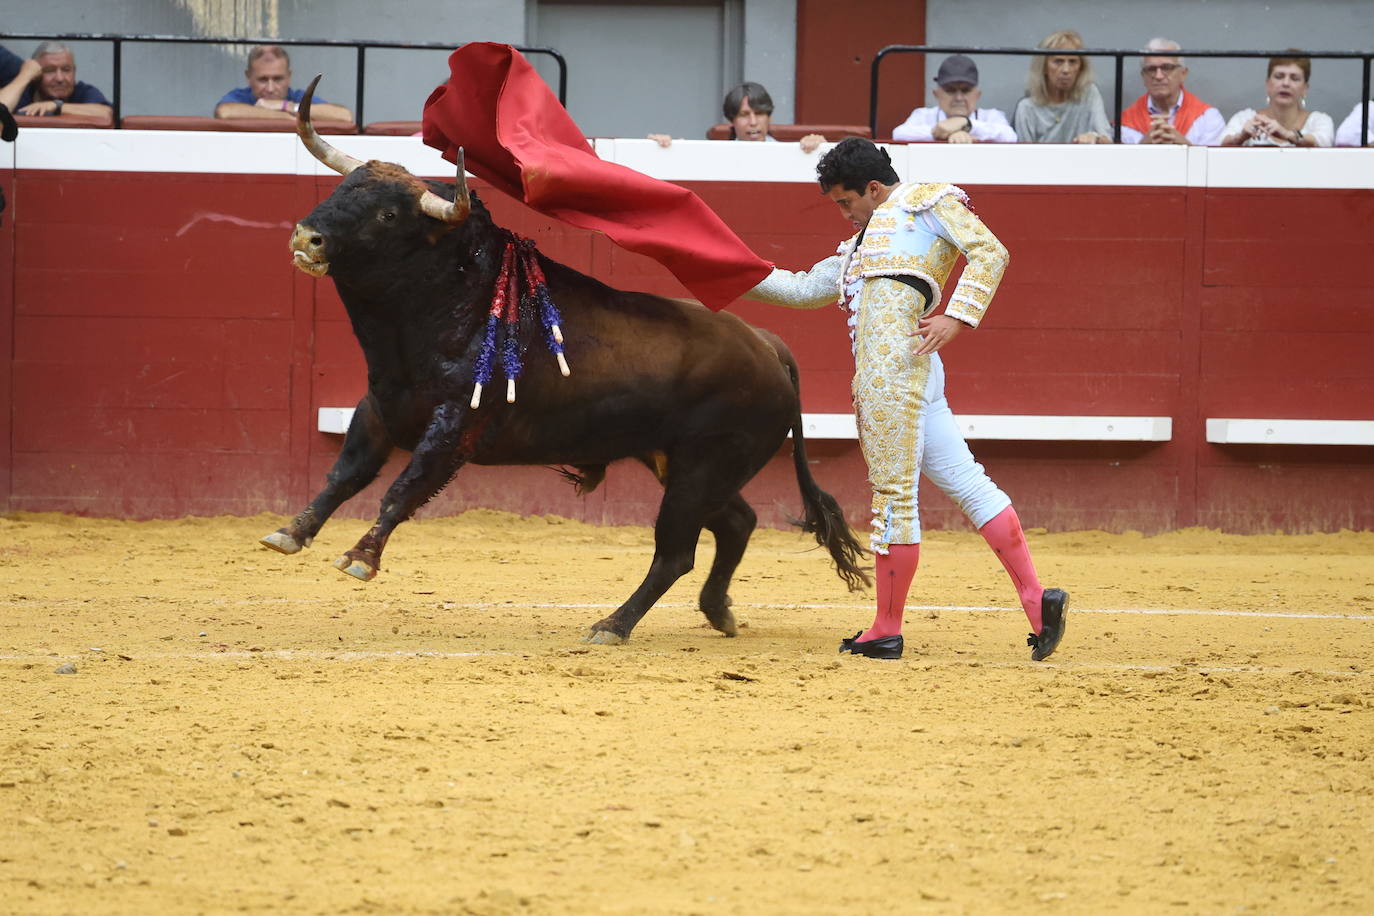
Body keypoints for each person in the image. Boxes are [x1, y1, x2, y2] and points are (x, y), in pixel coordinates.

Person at [743, 137, 1068, 662]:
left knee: (894, 498)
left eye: (847, 203)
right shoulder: (858, 248)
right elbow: (802, 289)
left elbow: (990, 250)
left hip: (894, 376)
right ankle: (1037, 600)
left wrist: (957, 316)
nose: (845, 215)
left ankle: (886, 630)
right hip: (913, 372)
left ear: (874, 188)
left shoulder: (927, 202)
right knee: (967, 481)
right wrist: (725, 269)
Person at [649, 81, 824, 153]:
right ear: (731, 120)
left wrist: (821, 149)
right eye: (744, 115)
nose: (753, 122)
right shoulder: (715, 155)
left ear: (769, 116)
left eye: (760, 113)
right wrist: (661, 147)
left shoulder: (793, 153)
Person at [1012, 29, 1112, 144]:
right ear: (1043, 66)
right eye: (1058, 61)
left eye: (1073, 62)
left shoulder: (1089, 94)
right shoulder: (1026, 108)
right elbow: (1023, 156)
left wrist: (1095, 138)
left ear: (1081, 67)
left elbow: (1108, 142)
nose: (1066, 70)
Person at [1119, 38, 1224, 145]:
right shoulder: (1124, 123)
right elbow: (1121, 161)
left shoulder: (1208, 119)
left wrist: (1185, 147)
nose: (1158, 76)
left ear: (1183, 74)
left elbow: (1212, 161)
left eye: (1167, 68)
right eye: (1151, 69)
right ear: (1143, 77)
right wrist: (1144, 146)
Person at [891, 54, 1016, 143]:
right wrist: (941, 132)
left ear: (977, 94)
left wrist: (968, 125)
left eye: (966, 90)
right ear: (936, 94)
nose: (959, 97)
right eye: (950, 90)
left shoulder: (991, 116)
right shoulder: (922, 115)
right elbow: (899, 134)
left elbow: (1010, 137)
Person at [215, 44, 352, 121]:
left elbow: (344, 116)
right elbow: (224, 112)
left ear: (289, 76)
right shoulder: (240, 97)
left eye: (278, 79)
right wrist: (285, 117)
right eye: (262, 79)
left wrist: (287, 106)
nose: (270, 88)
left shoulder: (297, 98)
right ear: (248, 76)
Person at [1, 41, 112, 119]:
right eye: (50, 70)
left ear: (74, 71)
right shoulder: (24, 91)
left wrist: (56, 106)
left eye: (66, 70)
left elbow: (107, 113)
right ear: (37, 73)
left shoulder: (83, 91)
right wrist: (25, 74)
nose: (60, 78)